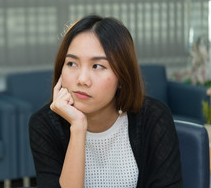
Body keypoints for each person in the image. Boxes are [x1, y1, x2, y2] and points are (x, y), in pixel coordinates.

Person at [29, 14, 182, 188]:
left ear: (122, 77)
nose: (82, 79)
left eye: (97, 66)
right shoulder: (44, 125)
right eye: (72, 63)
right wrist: (78, 127)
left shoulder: (153, 117)